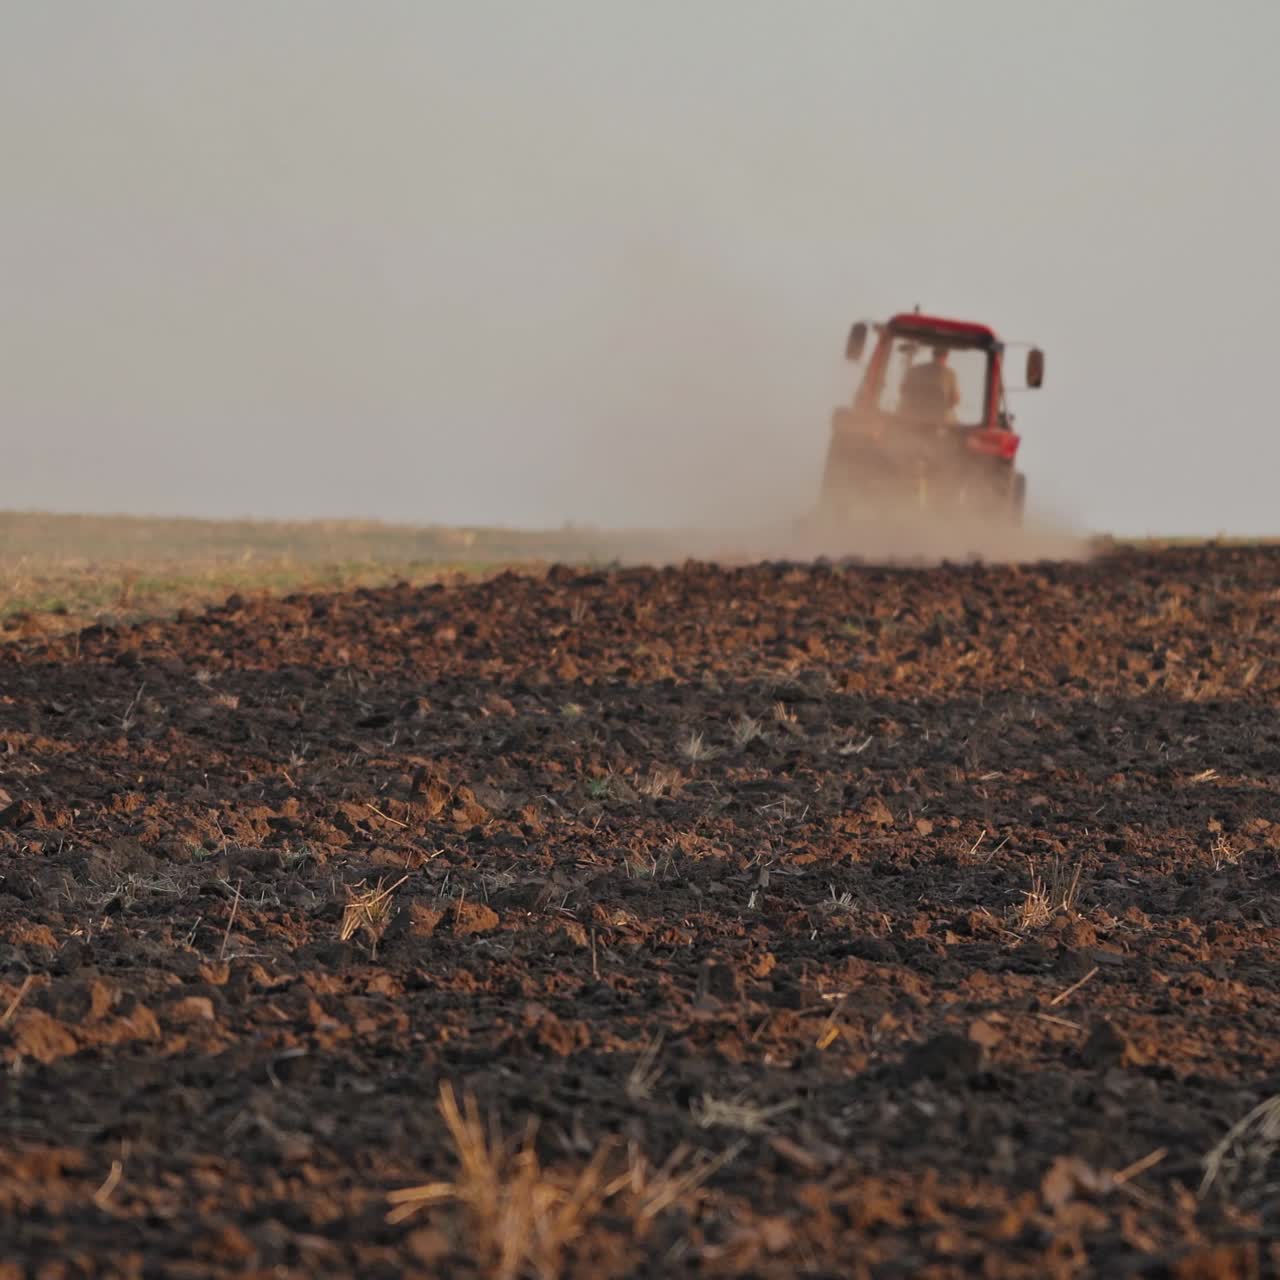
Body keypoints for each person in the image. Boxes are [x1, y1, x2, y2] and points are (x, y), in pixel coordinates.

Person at [898, 345, 961, 422]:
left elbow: (903, 390)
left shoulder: (915, 370)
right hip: (939, 420)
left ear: (933, 355)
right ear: (946, 357)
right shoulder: (949, 374)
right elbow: (955, 399)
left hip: (911, 416)